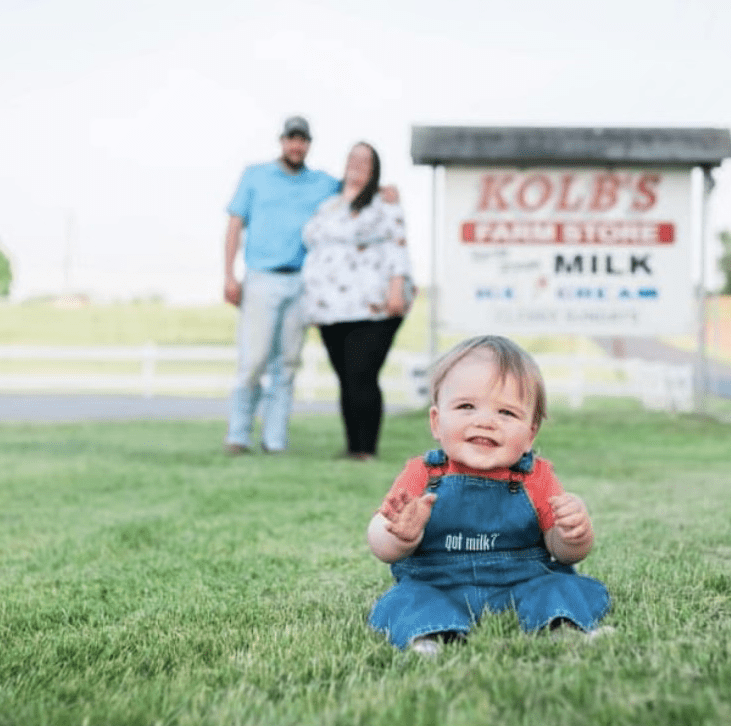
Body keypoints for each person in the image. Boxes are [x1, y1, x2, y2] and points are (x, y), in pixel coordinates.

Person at [365, 335, 612, 654]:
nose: (485, 422)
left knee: (562, 586)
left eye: (506, 413)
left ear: (530, 433)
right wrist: (399, 534)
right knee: (407, 600)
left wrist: (574, 535)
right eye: (466, 406)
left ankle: (561, 628)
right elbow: (380, 543)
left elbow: (563, 553)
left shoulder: (536, 476)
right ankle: (432, 636)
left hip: (523, 580)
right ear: (437, 422)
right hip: (437, 582)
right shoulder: (423, 473)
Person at [222, 116, 341, 455]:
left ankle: (275, 440)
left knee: (287, 364)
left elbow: (355, 188)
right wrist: (229, 275)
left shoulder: (321, 183)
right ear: (282, 141)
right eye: (291, 139)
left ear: (309, 145)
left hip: (301, 281)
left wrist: (384, 189)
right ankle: (238, 434)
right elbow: (234, 225)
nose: (296, 146)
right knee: (254, 359)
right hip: (261, 277)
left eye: (302, 140)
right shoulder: (255, 176)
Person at [301, 142, 412, 461]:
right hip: (330, 308)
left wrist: (396, 289)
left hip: (372, 307)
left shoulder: (384, 203)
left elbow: (398, 246)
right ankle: (352, 446)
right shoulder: (329, 206)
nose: (357, 164)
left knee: (362, 373)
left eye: (365, 160)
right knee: (345, 377)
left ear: (375, 167)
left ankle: (367, 448)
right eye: (352, 158)